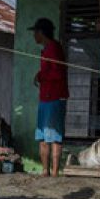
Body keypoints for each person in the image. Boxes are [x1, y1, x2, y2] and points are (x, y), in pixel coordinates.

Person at [30, 17, 68, 176]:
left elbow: (58, 72)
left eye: (35, 32)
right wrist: (39, 75)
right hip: (45, 97)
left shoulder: (54, 48)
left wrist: (42, 76)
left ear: (41, 33)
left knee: (55, 136)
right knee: (43, 136)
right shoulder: (46, 50)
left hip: (54, 97)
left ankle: (54, 172)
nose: (34, 36)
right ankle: (45, 171)